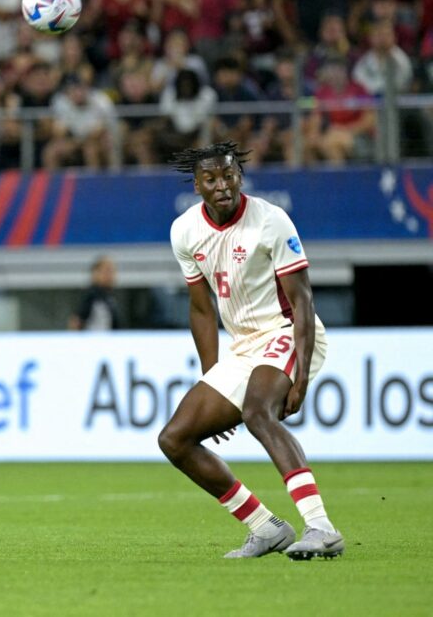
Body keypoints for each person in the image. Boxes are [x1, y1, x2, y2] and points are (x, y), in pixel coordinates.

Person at [158, 141, 344, 561]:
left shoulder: (271, 221)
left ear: (240, 176)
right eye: (211, 179)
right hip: (244, 346)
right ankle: (265, 527)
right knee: (175, 439)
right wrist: (212, 375)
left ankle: (321, 527)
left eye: (229, 175)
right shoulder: (184, 231)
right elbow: (202, 309)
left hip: (287, 330)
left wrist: (301, 377)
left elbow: (303, 300)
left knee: (257, 411)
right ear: (197, 184)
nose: (222, 185)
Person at [68, 256, 120, 331]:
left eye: (112, 271)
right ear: (95, 273)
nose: (110, 275)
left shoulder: (109, 297)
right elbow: (76, 321)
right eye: (107, 271)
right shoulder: (91, 296)